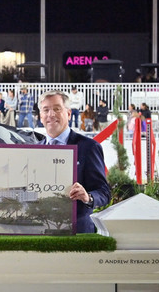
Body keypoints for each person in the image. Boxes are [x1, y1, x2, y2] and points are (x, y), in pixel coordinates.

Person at [38, 91, 110, 234]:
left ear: (69, 114)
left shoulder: (89, 147)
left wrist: (87, 197)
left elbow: (104, 193)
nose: (51, 114)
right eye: (46, 110)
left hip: (77, 232)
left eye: (57, 109)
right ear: (41, 117)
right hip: (39, 231)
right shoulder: (33, 150)